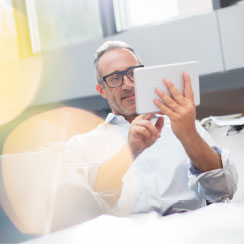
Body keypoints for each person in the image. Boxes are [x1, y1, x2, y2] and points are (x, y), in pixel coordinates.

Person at [64, 40, 238, 217]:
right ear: (101, 90)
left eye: (133, 73)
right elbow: (82, 210)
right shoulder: (81, 145)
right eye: (115, 78)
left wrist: (189, 136)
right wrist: (130, 152)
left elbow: (224, 190)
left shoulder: (183, 125)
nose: (128, 84)